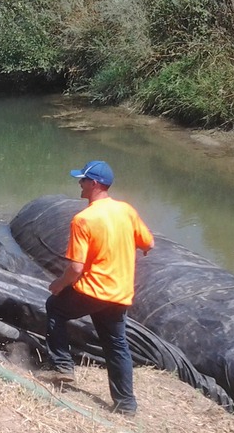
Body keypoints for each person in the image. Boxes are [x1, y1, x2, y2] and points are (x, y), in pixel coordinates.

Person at [45, 160, 155, 416]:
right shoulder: (126, 210)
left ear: (94, 184)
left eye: (82, 180)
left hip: (93, 291)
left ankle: (62, 367)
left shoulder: (84, 219)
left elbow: (76, 268)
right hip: (119, 294)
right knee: (117, 345)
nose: (79, 184)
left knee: (55, 307)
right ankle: (126, 405)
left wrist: (58, 285)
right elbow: (148, 243)